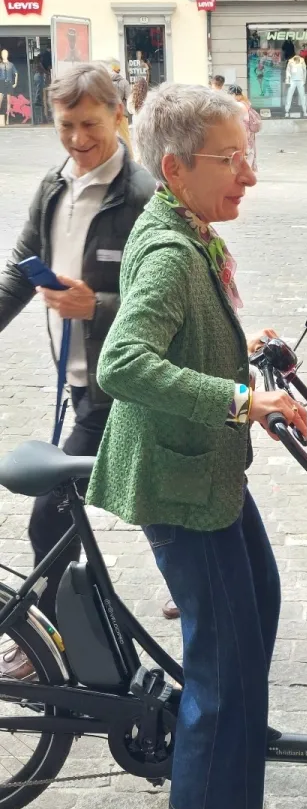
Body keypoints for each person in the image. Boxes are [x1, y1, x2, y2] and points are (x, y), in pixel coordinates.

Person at [86, 83, 307, 809]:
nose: (249, 174)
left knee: (260, 603)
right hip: (180, 484)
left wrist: (246, 360)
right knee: (222, 650)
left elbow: (190, 338)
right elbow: (123, 363)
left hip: (207, 470)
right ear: (176, 170)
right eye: (231, 159)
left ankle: (228, 731)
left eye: (248, 155)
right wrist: (242, 400)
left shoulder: (187, 228)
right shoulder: (171, 253)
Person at [0, 63, 157, 679]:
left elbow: (167, 300)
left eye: (90, 124)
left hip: (125, 386)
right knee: (152, 501)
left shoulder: (143, 196)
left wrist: (98, 306)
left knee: (50, 514)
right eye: (66, 125)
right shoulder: (54, 186)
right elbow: (21, 268)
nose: (77, 139)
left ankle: (47, 644)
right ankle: (196, 586)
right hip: (80, 379)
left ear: (118, 116)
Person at [228, 84, 261, 172]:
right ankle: (247, 171)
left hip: (243, 132)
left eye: (231, 95)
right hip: (249, 132)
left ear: (235, 95)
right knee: (249, 153)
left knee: (243, 153)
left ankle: (244, 172)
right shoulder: (246, 102)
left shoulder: (238, 105)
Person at [109, 60, 133, 158]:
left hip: (109, 114)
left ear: (112, 69)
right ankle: (130, 158)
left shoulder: (106, 82)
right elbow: (129, 97)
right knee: (125, 138)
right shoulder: (124, 82)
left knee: (110, 137)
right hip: (122, 113)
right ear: (119, 70)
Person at [127, 76, 148, 163]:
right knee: (145, 140)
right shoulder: (148, 96)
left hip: (136, 119)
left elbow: (129, 109)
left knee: (137, 141)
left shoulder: (132, 97)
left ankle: (138, 159)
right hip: (145, 119)